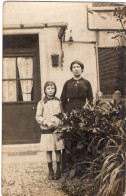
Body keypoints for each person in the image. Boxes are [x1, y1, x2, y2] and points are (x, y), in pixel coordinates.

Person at [60, 60, 93, 171]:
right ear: (71, 70)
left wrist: (88, 110)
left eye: (78, 66)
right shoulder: (67, 83)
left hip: (83, 110)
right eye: (74, 67)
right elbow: (63, 99)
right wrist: (66, 111)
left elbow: (91, 99)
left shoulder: (86, 83)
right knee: (70, 136)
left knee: (82, 135)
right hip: (70, 109)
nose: (76, 68)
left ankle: (84, 164)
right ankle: (70, 166)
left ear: (82, 69)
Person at [36, 81, 65, 180]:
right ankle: (50, 171)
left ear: (55, 90)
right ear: (45, 90)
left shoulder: (59, 101)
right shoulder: (41, 103)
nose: (50, 90)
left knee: (58, 149)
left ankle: (58, 170)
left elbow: (62, 114)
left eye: (52, 88)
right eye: (48, 88)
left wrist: (60, 122)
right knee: (48, 150)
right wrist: (47, 123)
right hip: (47, 130)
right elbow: (38, 117)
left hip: (57, 130)